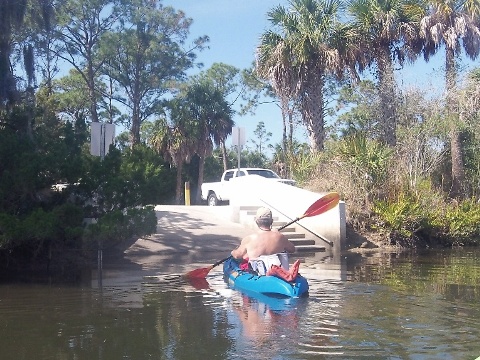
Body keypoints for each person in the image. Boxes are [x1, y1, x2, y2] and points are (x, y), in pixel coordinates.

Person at [231, 207, 296, 275]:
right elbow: (292, 249)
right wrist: (277, 234)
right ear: (272, 221)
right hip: (279, 275)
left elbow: (238, 255)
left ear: (256, 221)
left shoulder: (249, 239)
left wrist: (233, 252)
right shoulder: (280, 237)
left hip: (258, 275)